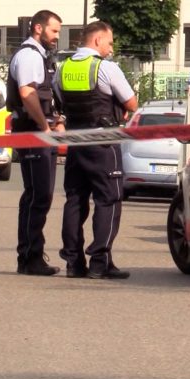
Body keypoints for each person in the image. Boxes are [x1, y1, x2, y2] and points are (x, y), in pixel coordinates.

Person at [55, 21, 138, 279]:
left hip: (77, 142)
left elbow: (59, 101)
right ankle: (100, 262)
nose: (111, 48)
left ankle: (73, 262)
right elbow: (132, 102)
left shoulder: (63, 68)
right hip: (103, 143)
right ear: (97, 41)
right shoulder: (106, 68)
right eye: (110, 42)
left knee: (75, 200)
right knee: (108, 200)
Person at [6, 10, 63, 276]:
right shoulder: (29, 55)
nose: (57, 37)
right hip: (32, 132)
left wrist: (56, 120)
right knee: (37, 195)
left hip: (40, 131)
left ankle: (32, 255)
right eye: (54, 31)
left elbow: (44, 96)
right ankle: (29, 257)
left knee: (41, 195)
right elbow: (28, 94)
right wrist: (43, 126)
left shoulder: (41, 56)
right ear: (38, 28)